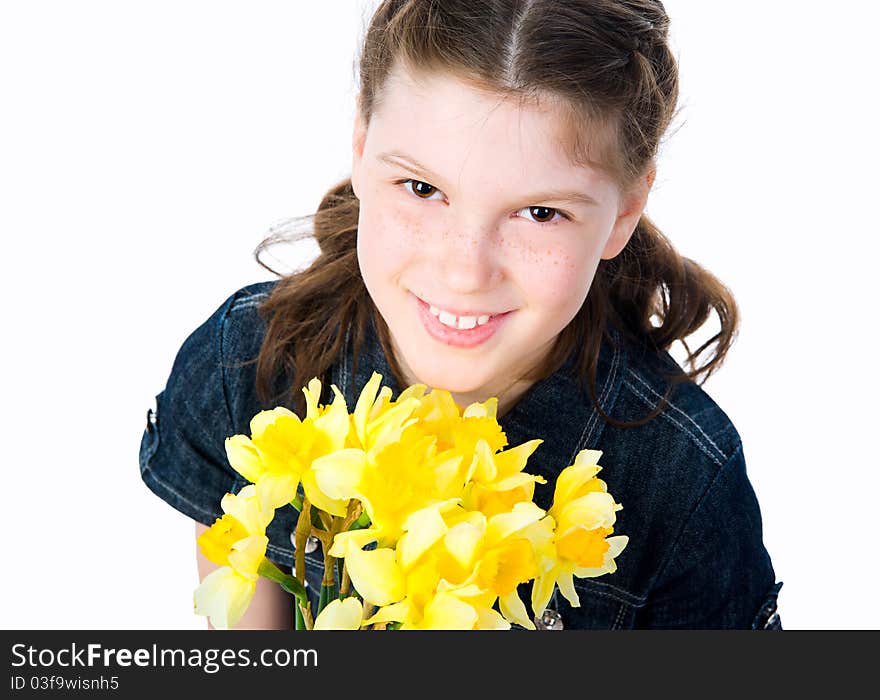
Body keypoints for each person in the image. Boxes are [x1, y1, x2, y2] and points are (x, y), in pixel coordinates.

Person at [139, 0, 782, 630]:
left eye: (540, 213)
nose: (465, 272)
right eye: (423, 189)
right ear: (361, 148)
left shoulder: (684, 485)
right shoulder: (246, 365)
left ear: (623, 212)